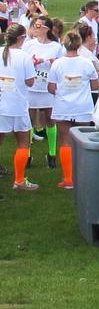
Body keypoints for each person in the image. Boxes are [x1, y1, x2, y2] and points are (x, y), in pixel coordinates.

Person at [47, 31, 99, 189]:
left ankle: (68, 178)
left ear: (64, 44)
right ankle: (82, 176)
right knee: (82, 142)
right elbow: (95, 85)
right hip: (82, 107)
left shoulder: (57, 64)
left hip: (63, 106)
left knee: (65, 141)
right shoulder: (87, 63)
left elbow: (51, 88)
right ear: (79, 44)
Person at [23, 16, 64, 168]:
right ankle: (27, 155)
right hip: (32, 87)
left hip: (47, 88)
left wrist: (53, 63)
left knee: (50, 119)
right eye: (35, 25)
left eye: (39, 25)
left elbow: (61, 66)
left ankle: (52, 154)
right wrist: (32, 62)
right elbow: (23, 62)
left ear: (47, 29)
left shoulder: (56, 46)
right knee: (29, 120)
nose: (35, 27)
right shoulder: (28, 44)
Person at [0, 25, 37, 190]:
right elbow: (30, 81)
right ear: (21, 38)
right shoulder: (24, 56)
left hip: (2, 104)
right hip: (17, 105)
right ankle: (19, 181)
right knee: (23, 142)